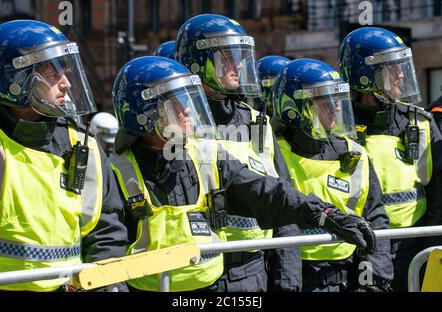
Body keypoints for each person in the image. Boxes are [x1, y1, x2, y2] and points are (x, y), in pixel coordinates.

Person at [110, 55, 376, 292]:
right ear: (146, 113)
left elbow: (266, 193)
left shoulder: (207, 155)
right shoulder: (116, 171)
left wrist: (324, 214)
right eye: (178, 102)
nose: (189, 109)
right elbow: (107, 247)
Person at [0, 20, 128, 292]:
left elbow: (107, 232)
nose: (66, 83)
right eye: (53, 72)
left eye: (67, 71)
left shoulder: (83, 144)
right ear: (17, 79)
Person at [175, 14, 302, 291]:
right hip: (196, 274)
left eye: (242, 56)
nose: (240, 64)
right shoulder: (177, 125)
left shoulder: (258, 122)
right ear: (198, 62)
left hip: (253, 270)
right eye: (228, 56)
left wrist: (288, 280)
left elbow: (282, 204)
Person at [272, 58, 393, 292]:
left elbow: (376, 217)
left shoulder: (354, 151)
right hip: (298, 275)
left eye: (337, 99)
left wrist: (373, 280)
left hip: (348, 274)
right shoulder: (275, 152)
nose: (336, 107)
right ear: (296, 107)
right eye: (325, 100)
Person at [338, 26, 442, 291]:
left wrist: (430, 245)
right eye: (390, 67)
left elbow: (438, 192)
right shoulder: (337, 127)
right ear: (365, 76)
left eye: (400, 65)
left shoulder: (420, 122)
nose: (400, 74)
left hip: (413, 246)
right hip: (358, 248)